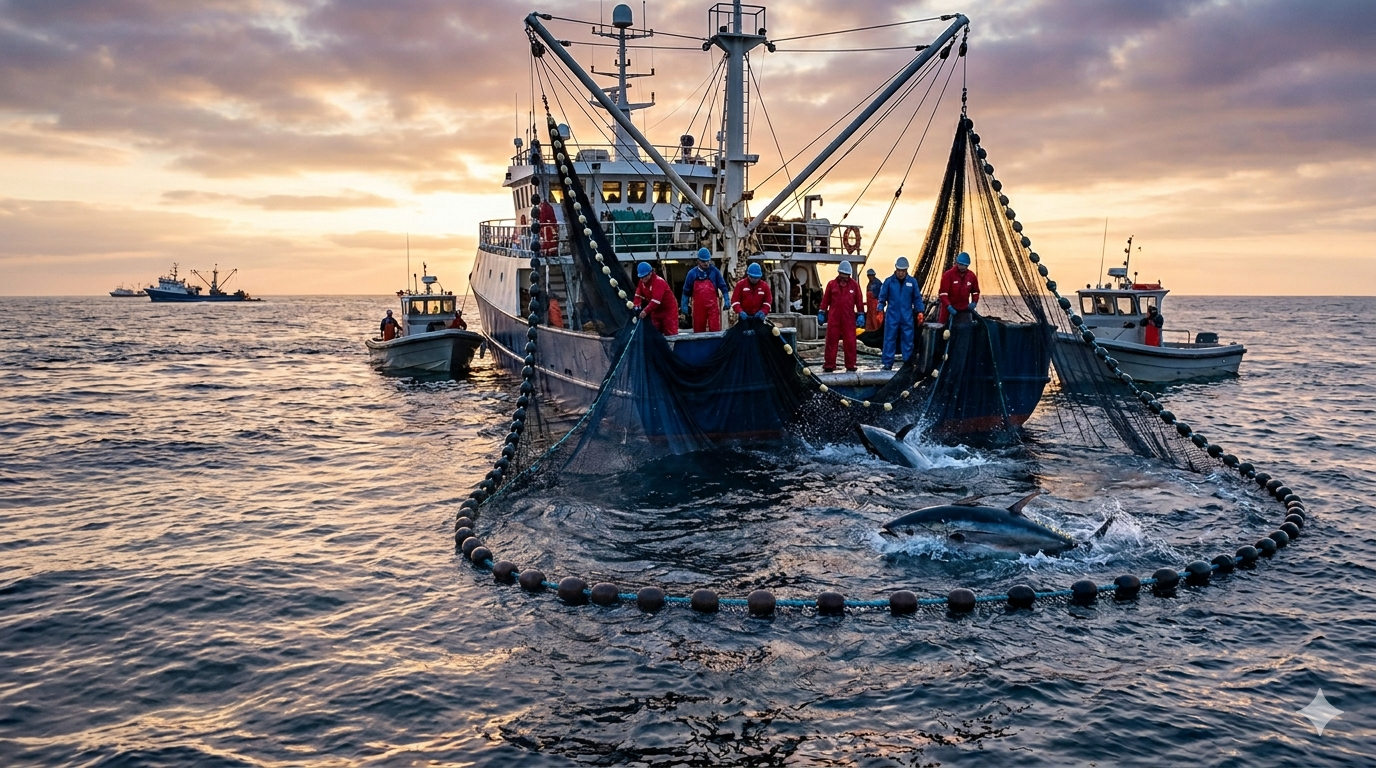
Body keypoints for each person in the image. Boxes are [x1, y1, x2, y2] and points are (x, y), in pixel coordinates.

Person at [877, 256, 925, 371]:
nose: (901, 273)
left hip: (906, 316)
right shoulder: (889, 282)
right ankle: (887, 363)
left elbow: (917, 298)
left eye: (903, 271)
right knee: (889, 338)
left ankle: (907, 364)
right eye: (899, 270)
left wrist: (920, 312)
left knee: (908, 339)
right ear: (896, 269)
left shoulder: (912, 282)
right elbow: (882, 297)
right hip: (892, 316)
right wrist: (880, 310)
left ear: (906, 270)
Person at [818, 260, 864, 372]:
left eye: (846, 276)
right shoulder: (831, 285)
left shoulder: (854, 285)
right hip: (834, 318)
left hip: (848, 318)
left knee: (850, 341)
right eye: (842, 275)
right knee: (831, 341)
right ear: (839, 273)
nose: (844, 278)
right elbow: (825, 300)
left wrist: (861, 314)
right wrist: (822, 312)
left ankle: (851, 364)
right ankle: (829, 364)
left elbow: (859, 301)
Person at [680, 248, 730, 333]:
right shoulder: (692, 274)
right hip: (698, 308)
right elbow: (686, 291)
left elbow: (723, 286)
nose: (706, 263)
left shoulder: (715, 272)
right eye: (703, 262)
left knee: (715, 330)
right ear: (698, 261)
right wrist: (684, 306)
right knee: (699, 330)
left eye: (708, 261)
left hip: (713, 307)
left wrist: (727, 300)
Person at [633, 262, 677, 336]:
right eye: (640, 277)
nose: (642, 279)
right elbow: (638, 295)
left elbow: (655, 301)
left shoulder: (659, 282)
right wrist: (636, 306)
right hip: (655, 311)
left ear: (650, 274)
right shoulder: (642, 283)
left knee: (670, 333)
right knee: (654, 332)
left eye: (644, 276)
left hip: (668, 311)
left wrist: (645, 311)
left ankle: (671, 347)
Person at [938, 251, 980, 324]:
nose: (962, 267)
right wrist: (949, 306)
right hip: (948, 310)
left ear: (967, 265)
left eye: (964, 265)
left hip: (964, 311)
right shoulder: (948, 275)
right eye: (960, 264)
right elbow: (943, 294)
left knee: (965, 330)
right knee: (944, 331)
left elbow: (975, 291)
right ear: (957, 263)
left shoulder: (971, 276)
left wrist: (974, 302)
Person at [865, 267, 884, 332]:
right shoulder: (869, 284)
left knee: (876, 320)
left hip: (876, 305)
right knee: (870, 320)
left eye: (871, 275)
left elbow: (881, 295)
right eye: (869, 276)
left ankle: (877, 331)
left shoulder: (878, 283)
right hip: (870, 307)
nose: (870, 277)